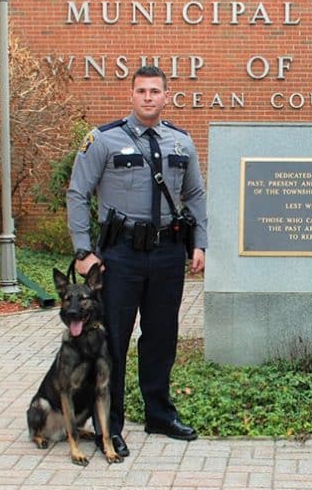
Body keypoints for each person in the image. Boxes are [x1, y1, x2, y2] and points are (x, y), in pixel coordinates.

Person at [67, 65, 207, 456]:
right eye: (141, 90)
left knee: (161, 337)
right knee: (114, 340)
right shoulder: (103, 140)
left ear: (166, 96)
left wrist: (200, 244)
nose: (148, 97)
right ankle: (109, 424)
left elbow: (195, 194)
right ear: (131, 96)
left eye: (155, 91)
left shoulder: (181, 142)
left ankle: (159, 413)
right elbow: (78, 193)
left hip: (166, 254)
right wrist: (83, 250)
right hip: (119, 257)